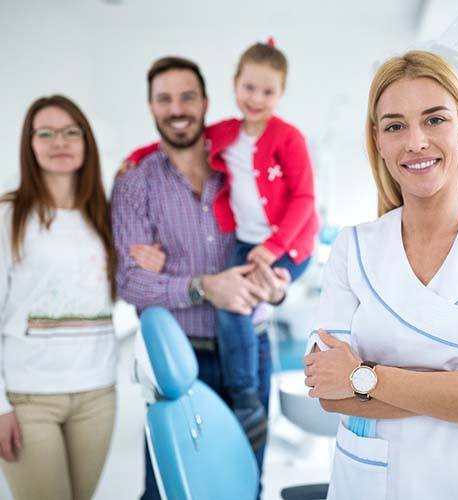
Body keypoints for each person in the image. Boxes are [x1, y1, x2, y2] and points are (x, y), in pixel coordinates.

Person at [304, 50, 458, 500]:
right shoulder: (351, 248)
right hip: (366, 483)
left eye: (434, 120)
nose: (416, 142)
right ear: (377, 140)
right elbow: (329, 391)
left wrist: (366, 377)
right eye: (395, 126)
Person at [111, 56, 290, 500]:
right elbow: (130, 283)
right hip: (177, 358)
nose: (177, 109)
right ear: (151, 106)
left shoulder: (242, 168)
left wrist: (279, 287)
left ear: (207, 101)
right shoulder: (136, 183)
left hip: (251, 350)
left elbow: (280, 243)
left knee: (244, 483)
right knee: (172, 488)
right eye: (164, 99)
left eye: (187, 96)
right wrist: (202, 285)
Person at [126, 39, 318, 439]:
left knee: (235, 307)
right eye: (249, 88)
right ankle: (245, 395)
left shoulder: (289, 138)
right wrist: (137, 154)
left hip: (287, 244)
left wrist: (275, 251)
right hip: (247, 249)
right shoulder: (226, 134)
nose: (256, 99)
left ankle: (245, 396)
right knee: (234, 301)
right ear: (234, 86)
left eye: (268, 92)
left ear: (281, 93)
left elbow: (305, 200)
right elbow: (178, 140)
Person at [0, 95, 119, 500]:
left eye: (71, 132)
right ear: (29, 144)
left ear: (86, 141)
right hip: (28, 397)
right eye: (45, 133)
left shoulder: (104, 215)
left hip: (97, 393)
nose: (59, 142)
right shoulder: (8, 215)